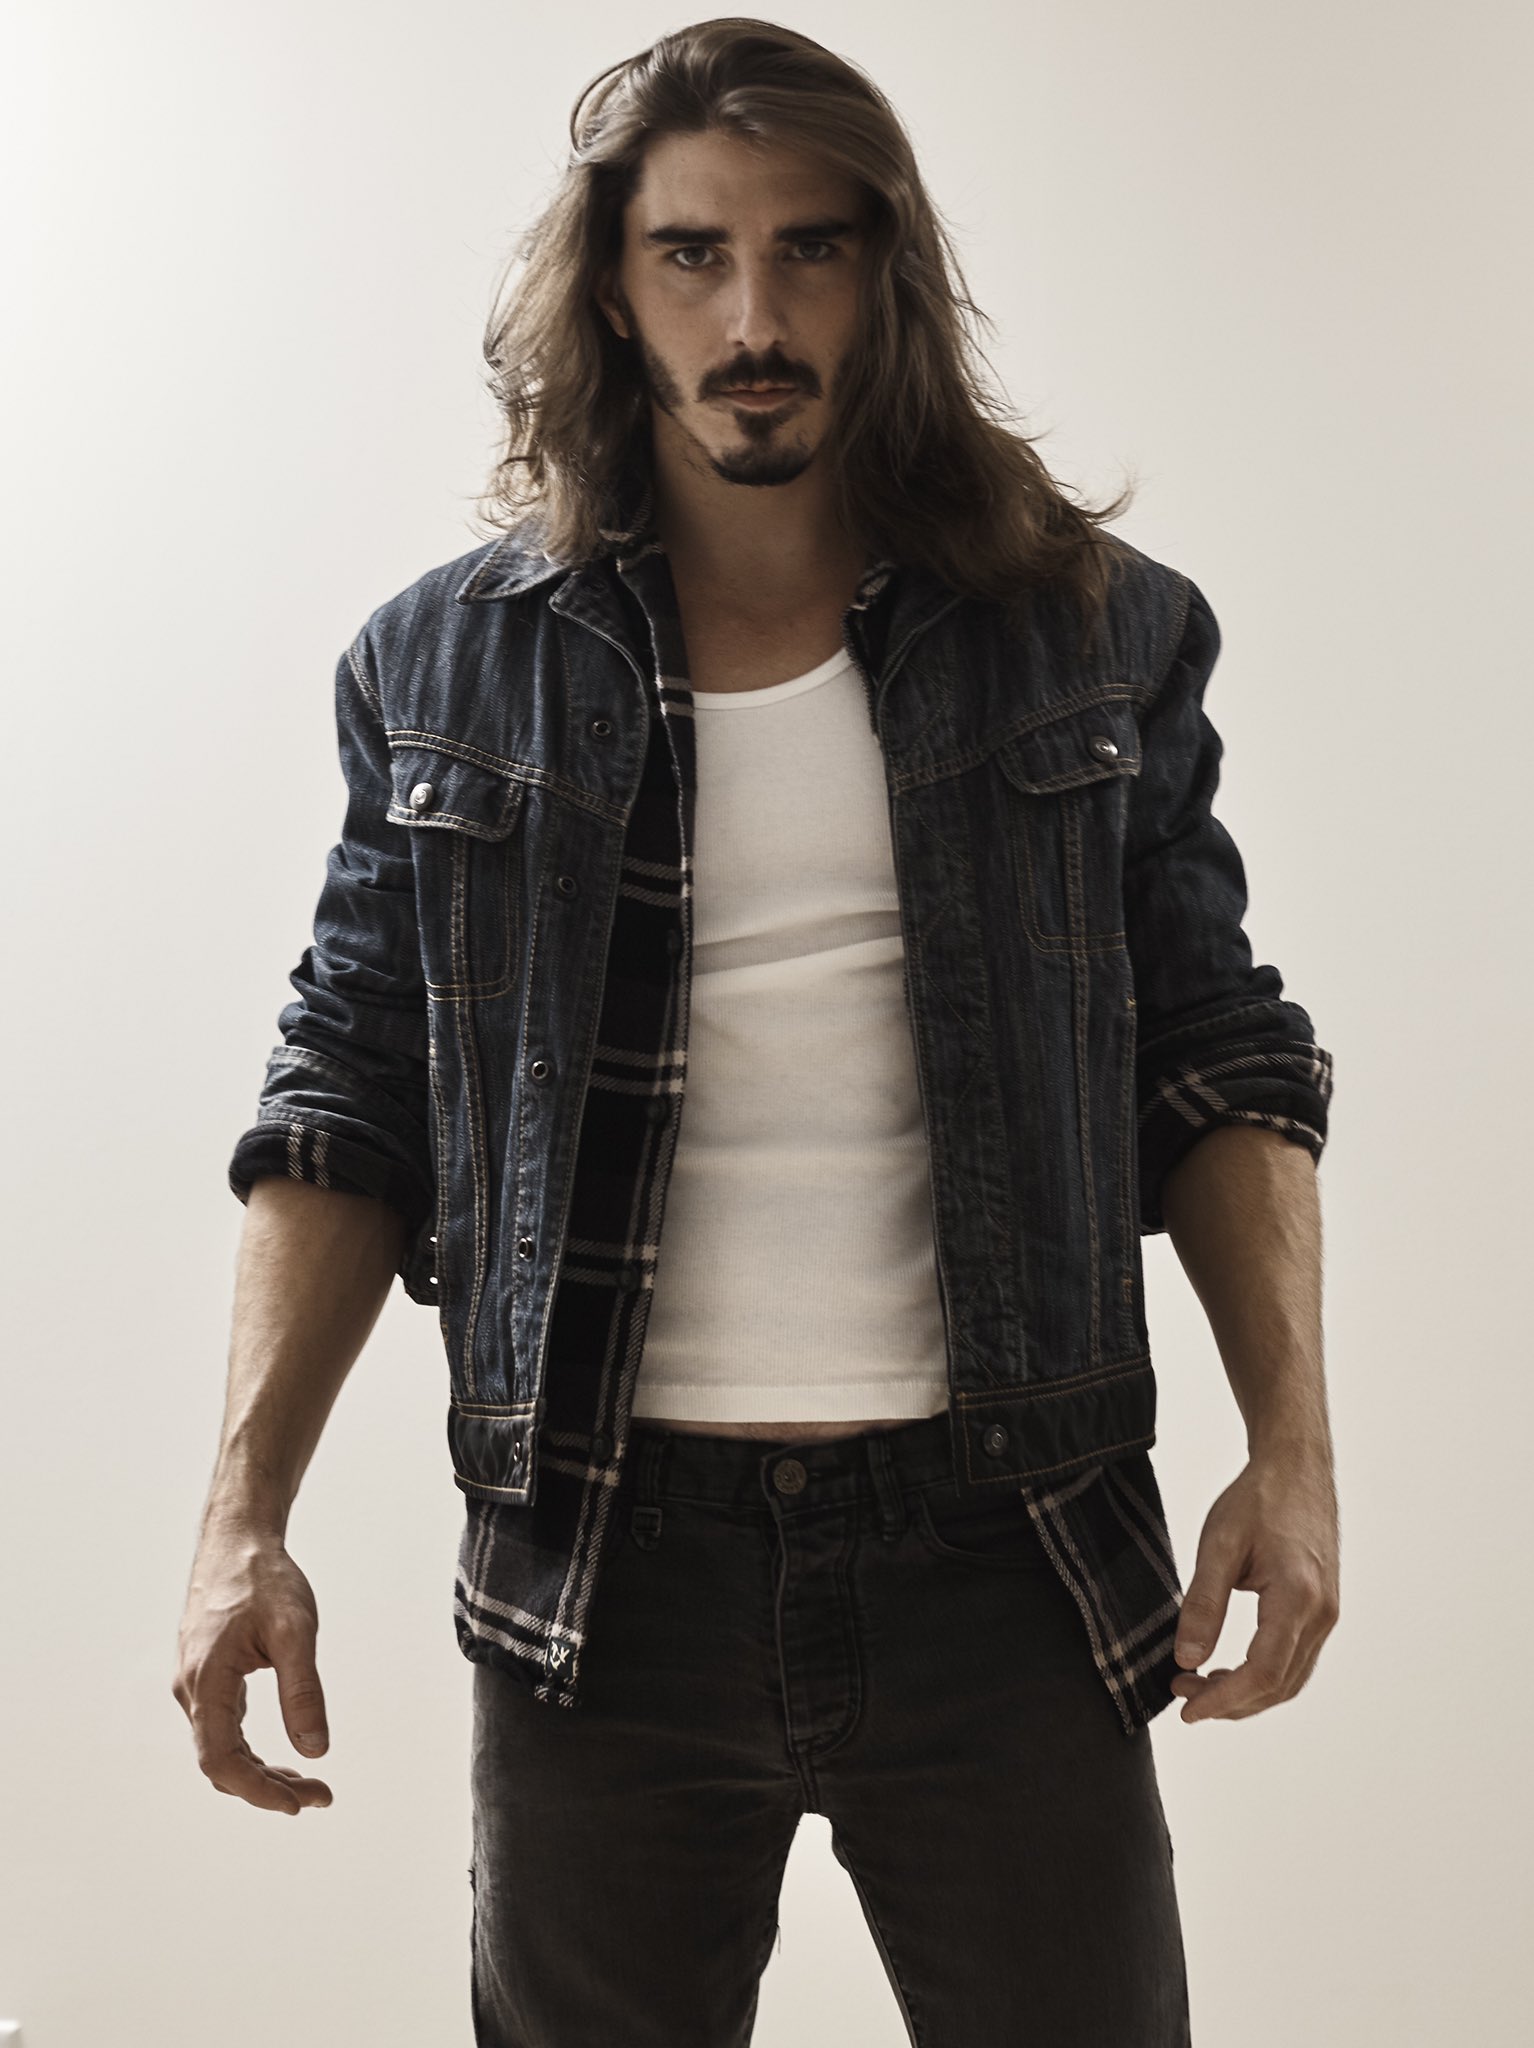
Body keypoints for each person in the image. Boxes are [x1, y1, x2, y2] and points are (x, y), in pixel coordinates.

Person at [172, 20, 1339, 2045]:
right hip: (604, 1569)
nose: (754, 319)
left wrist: (1292, 1457)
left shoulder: (1089, 633)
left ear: (887, 275)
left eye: (810, 249)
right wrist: (239, 1519)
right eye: (692, 254)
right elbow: (347, 1094)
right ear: (611, 289)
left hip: (1005, 1541)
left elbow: (1215, 1054)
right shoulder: (444, 669)